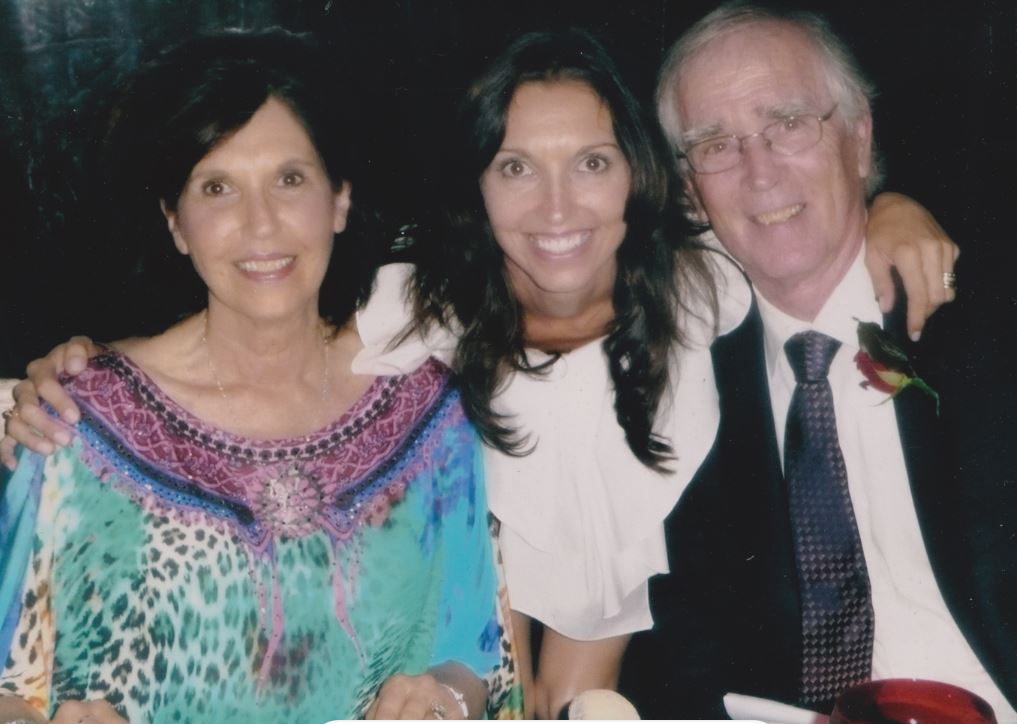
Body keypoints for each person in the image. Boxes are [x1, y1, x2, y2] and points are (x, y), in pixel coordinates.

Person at [2, 28, 958, 720]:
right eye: (514, 167)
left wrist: (889, 204)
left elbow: (792, 216)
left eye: (591, 162)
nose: (557, 206)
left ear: (640, 175)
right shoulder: (419, 324)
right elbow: (276, 325)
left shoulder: (704, 289)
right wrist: (70, 376)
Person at [0, 29, 521, 723]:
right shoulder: (79, 421)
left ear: (339, 199)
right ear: (175, 222)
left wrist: (446, 695)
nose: (261, 223)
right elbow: (10, 681)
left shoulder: (430, 409)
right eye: (217, 188)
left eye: (289, 179)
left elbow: (481, 653)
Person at [619, 4, 1017, 719]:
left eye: (789, 123)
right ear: (689, 191)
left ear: (859, 138)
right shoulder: (680, 378)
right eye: (715, 144)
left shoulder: (982, 318)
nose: (759, 172)